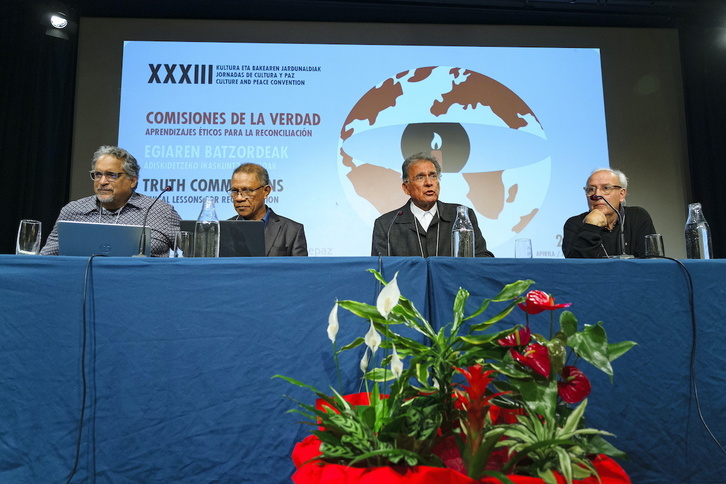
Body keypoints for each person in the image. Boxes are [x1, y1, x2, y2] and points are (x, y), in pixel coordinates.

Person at [41, 146, 180, 257]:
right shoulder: (73, 211)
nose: (102, 182)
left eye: (111, 175)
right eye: (97, 174)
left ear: (132, 180)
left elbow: (197, 255)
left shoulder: (161, 212)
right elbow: (45, 258)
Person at [371, 152, 494, 257]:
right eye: (420, 177)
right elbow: (379, 271)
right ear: (406, 188)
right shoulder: (387, 225)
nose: (429, 183)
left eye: (433, 176)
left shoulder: (461, 216)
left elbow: (483, 258)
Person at [562, 167, 656, 258]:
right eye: (591, 189)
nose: (597, 195)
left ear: (622, 194)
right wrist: (590, 228)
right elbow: (576, 268)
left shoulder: (637, 217)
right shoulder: (574, 224)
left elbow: (651, 263)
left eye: (606, 188)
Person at [229, 163, 307, 256]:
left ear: (266, 191)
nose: (239, 198)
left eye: (247, 191)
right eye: (235, 191)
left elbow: (299, 269)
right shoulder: (223, 231)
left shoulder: (292, 231)